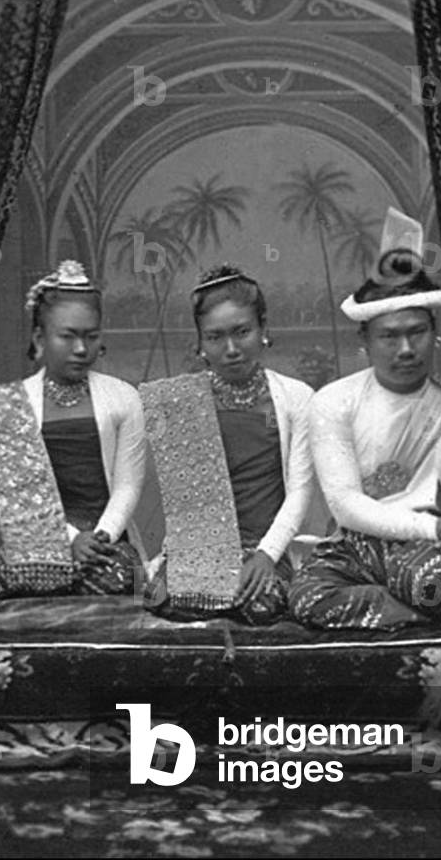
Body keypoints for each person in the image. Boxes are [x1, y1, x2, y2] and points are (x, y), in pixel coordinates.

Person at [288, 210, 441, 630]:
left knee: (427, 580)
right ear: (366, 342)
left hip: (437, 549)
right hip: (360, 544)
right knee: (305, 597)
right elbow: (346, 504)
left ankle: (415, 602)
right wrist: (427, 528)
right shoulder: (333, 402)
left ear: (434, 332)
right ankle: (420, 614)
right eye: (389, 336)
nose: (406, 349)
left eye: (417, 332)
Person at [141, 264, 317, 625]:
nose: (232, 349)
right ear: (200, 342)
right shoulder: (181, 403)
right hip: (200, 548)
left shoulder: (296, 399)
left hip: (265, 548)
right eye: (216, 337)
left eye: (242, 332)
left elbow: (300, 492)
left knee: (259, 604)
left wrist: (267, 555)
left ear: (263, 330)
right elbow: (186, 506)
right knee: (167, 598)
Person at [0, 261, 146, 597]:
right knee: (30, 569)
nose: (80, 349)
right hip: (39, 538)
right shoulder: (10, 406)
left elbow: (128, 486)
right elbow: (17, 502)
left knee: (118, 577)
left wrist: (100, 539)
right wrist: (71, 540)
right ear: (39, 337)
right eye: (68, 336)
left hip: (105, 541)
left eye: (91, 336)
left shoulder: (124, 398)